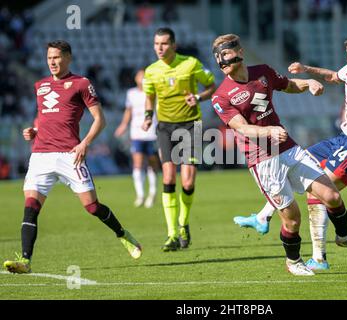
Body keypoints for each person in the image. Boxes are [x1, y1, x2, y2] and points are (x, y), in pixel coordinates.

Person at [211, 33, 347, 276]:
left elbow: (288, 85)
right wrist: (267, 131)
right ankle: (294, 262)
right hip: (262, 159)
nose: (223, 63)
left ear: (240, 53)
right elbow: (241, 128)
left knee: (331, 195)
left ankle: (344, 237)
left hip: (288, 147)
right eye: (219, 59)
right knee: (293, 219)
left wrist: (308, 83)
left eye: (226, 56)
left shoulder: (263, 72)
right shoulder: (221, 96)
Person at [3, 40, 142, 274]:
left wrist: (84, 143)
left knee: (92, 207)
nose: (52, 62)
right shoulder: (41, 86)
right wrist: (35, 131)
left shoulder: (81, 84)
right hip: (41, 155)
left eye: (57, 57)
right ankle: (25, 260)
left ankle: (122, 234)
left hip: (70, 155)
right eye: (49, 58)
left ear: (68, 57)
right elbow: (45, 118)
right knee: (30, 207)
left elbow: (100, 119)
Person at [141, 28, 216, 251]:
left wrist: (199, 97)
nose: (160, 48)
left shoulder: (191, 64)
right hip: (164, 127)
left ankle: (184, 222)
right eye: (156, 44)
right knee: (168, 176)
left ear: (174, 44)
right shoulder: (151, 71)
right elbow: (149, 97)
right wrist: (147, 117)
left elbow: (211, 86)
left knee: (188, 182)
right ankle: (172, 233)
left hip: (190, 125)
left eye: (164, 44)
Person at [115, 69, 159, 208]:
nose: (142, 78)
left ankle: (153, 192)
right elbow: (129, 111)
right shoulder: (131, 93)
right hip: (137, 132)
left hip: (152, 132)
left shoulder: (153, 92)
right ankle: (140, 195)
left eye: (145, 76)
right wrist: (123, 125)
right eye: (140, 76)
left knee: (152, 163)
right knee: (138, 163)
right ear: (136, 78)